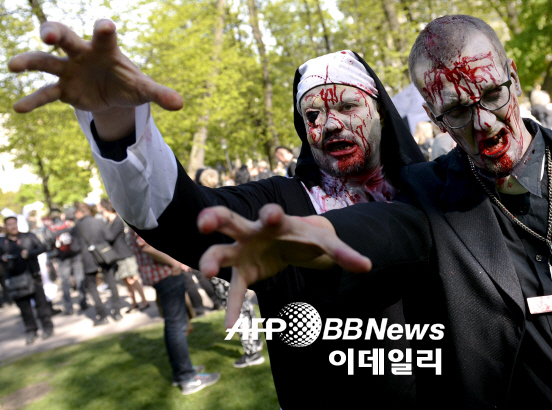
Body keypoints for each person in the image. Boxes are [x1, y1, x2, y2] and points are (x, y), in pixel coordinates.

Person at [195, 15, 552, 409]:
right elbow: (381, 228)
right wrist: (307, 237)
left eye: (491, 94)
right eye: (458, 110)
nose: (483, 123)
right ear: (431, 114)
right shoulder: (429, 193)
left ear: (515, 77)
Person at [8, 21, 424, 409]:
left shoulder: (429, 191)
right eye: (312, 115)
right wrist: (116, 123)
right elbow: (183, 218)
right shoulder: (281, 203)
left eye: (348, 106)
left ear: (382, 112)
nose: (330, 124)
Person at [130, 230, 220, 394]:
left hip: (164, 274)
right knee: (177, 327)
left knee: (173, 325)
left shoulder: (136, 211)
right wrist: (176, 263)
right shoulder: (139, 210)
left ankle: (181, 371)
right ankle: (188, 377)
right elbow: (148, 246)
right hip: (166, 274)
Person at [0, 215, 53, 344]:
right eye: (10, 224)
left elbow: (43, 247)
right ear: (6, 227)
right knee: (25, 309)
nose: (13, 226)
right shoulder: (2, 243)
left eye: (14, 223)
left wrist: (29, 253)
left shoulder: (28, 236)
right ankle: (31, 330)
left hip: (33, 276)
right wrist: (3, 258)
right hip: (15, 280)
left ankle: (47, 327)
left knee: (41, 305)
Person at [71, 202, 122, 325]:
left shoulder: (76, 228)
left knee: (93, 288)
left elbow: (75, 247)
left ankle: (102, 315)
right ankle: (117, 312)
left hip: (88, 261)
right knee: (111, 283)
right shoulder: (98, 222)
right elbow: (109, 236)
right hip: (104, 256)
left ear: (79, 213)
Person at [100, 199, 148, 313]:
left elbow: (110, 237)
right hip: (117, 256)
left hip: (125, 254)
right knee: (126, 281)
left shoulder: (117, 221)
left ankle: (144, 301)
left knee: (133, 279)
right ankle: (134, 302)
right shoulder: (108, 223)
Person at [44, 209, 83, 315]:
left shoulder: (50, 229)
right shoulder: (69, 224)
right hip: (75, 254)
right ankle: (83, 302)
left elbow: (48, 245)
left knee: (65, 283)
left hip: (62, 257)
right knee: (79, 278)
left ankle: (69, 307)